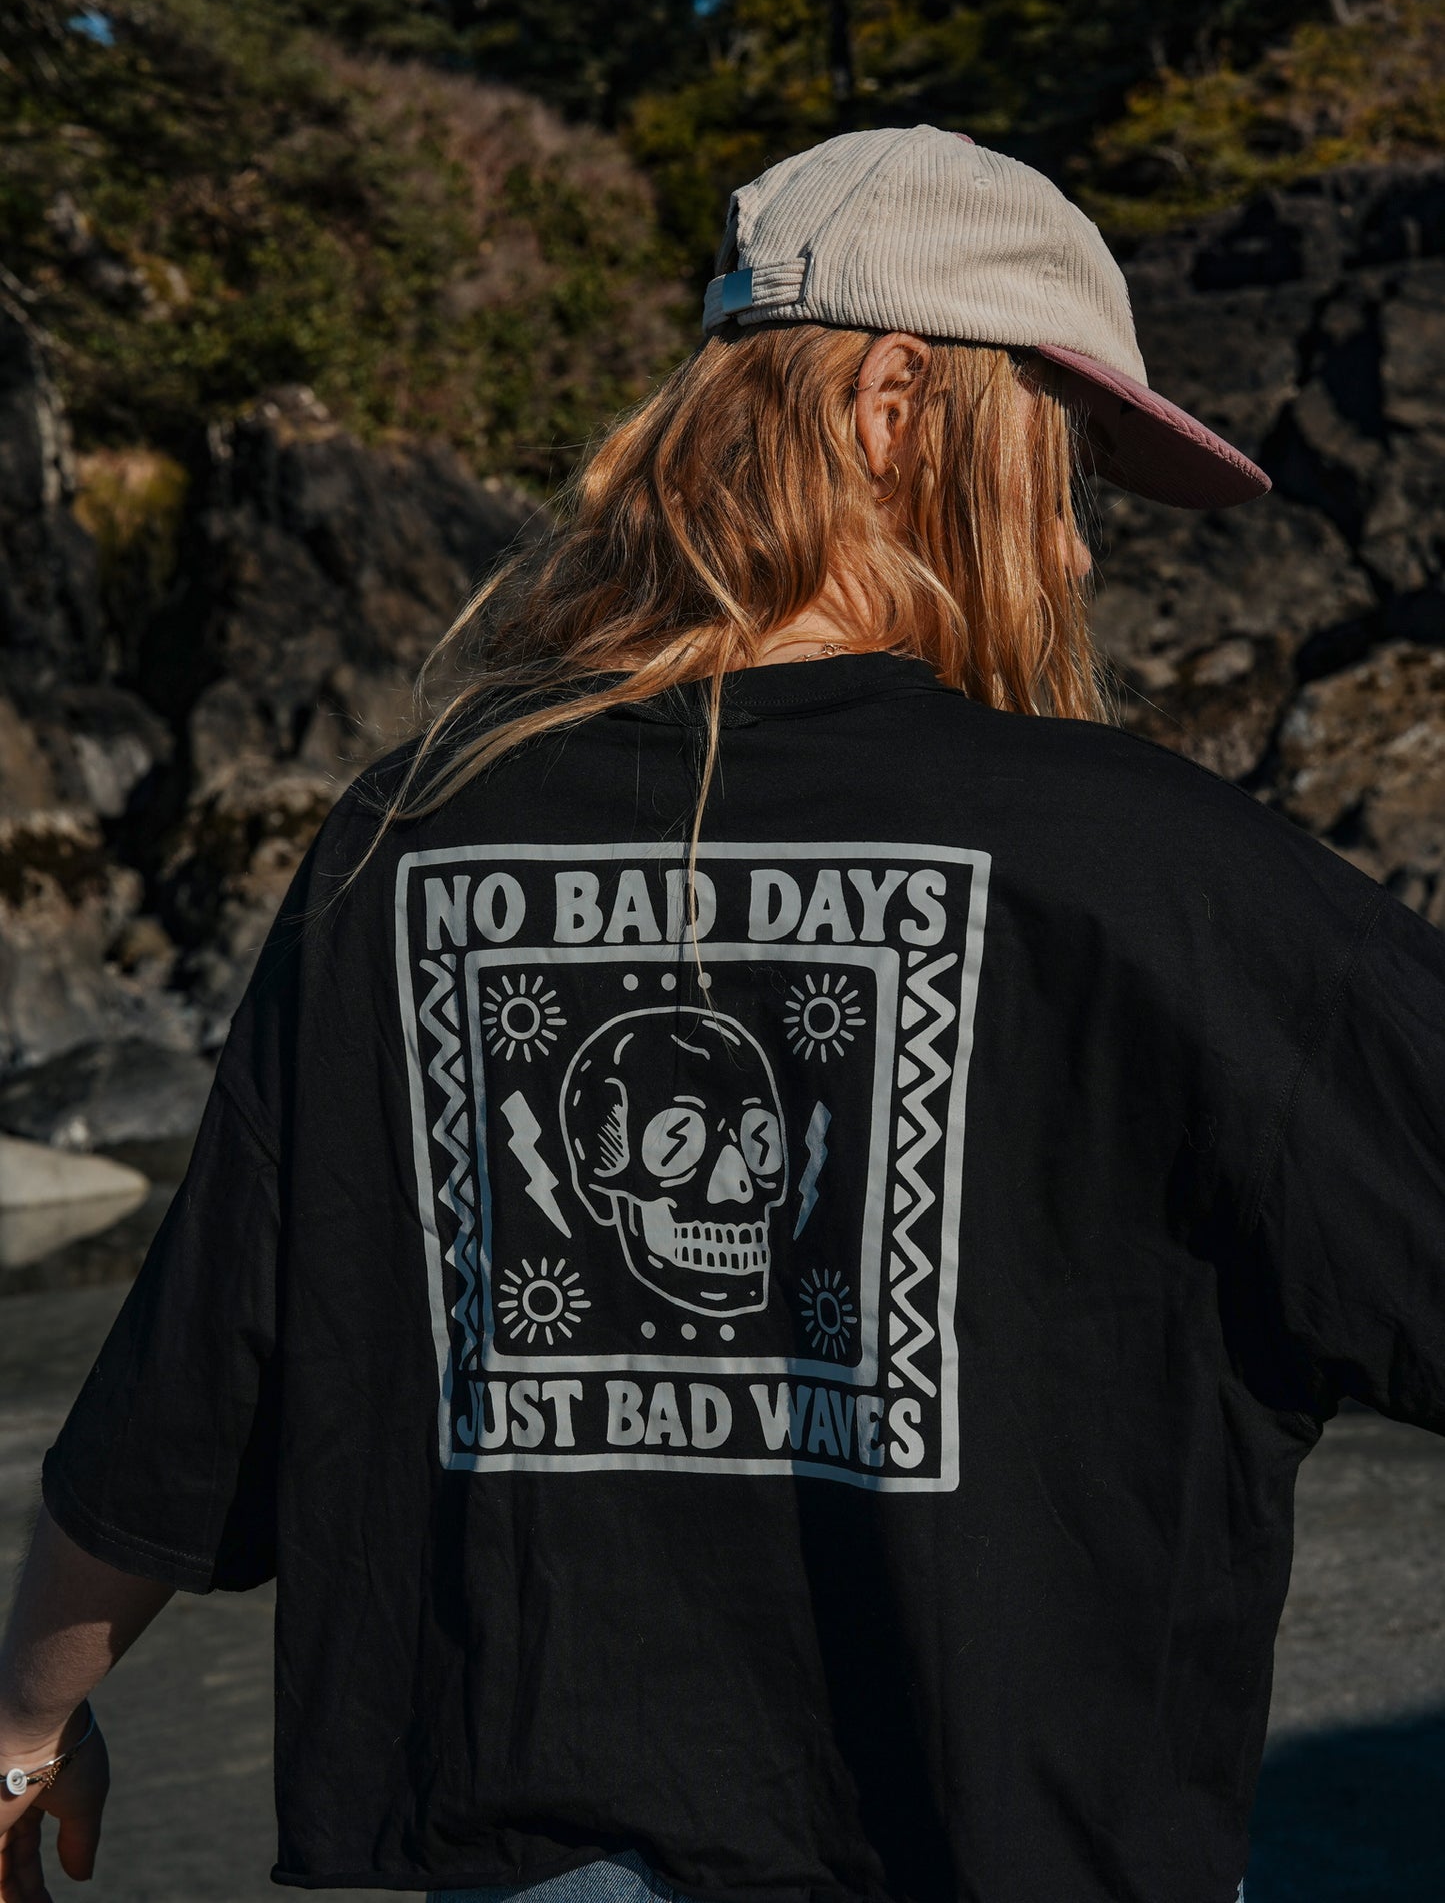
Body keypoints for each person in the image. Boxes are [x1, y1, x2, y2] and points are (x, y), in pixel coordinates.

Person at [1, 125, 1442, 1903]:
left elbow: (187, 1394)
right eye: (1056, 461)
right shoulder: (1163, 870)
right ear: (895, 403)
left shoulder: (410, 833)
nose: (1072, 550)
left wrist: (23, 1731)